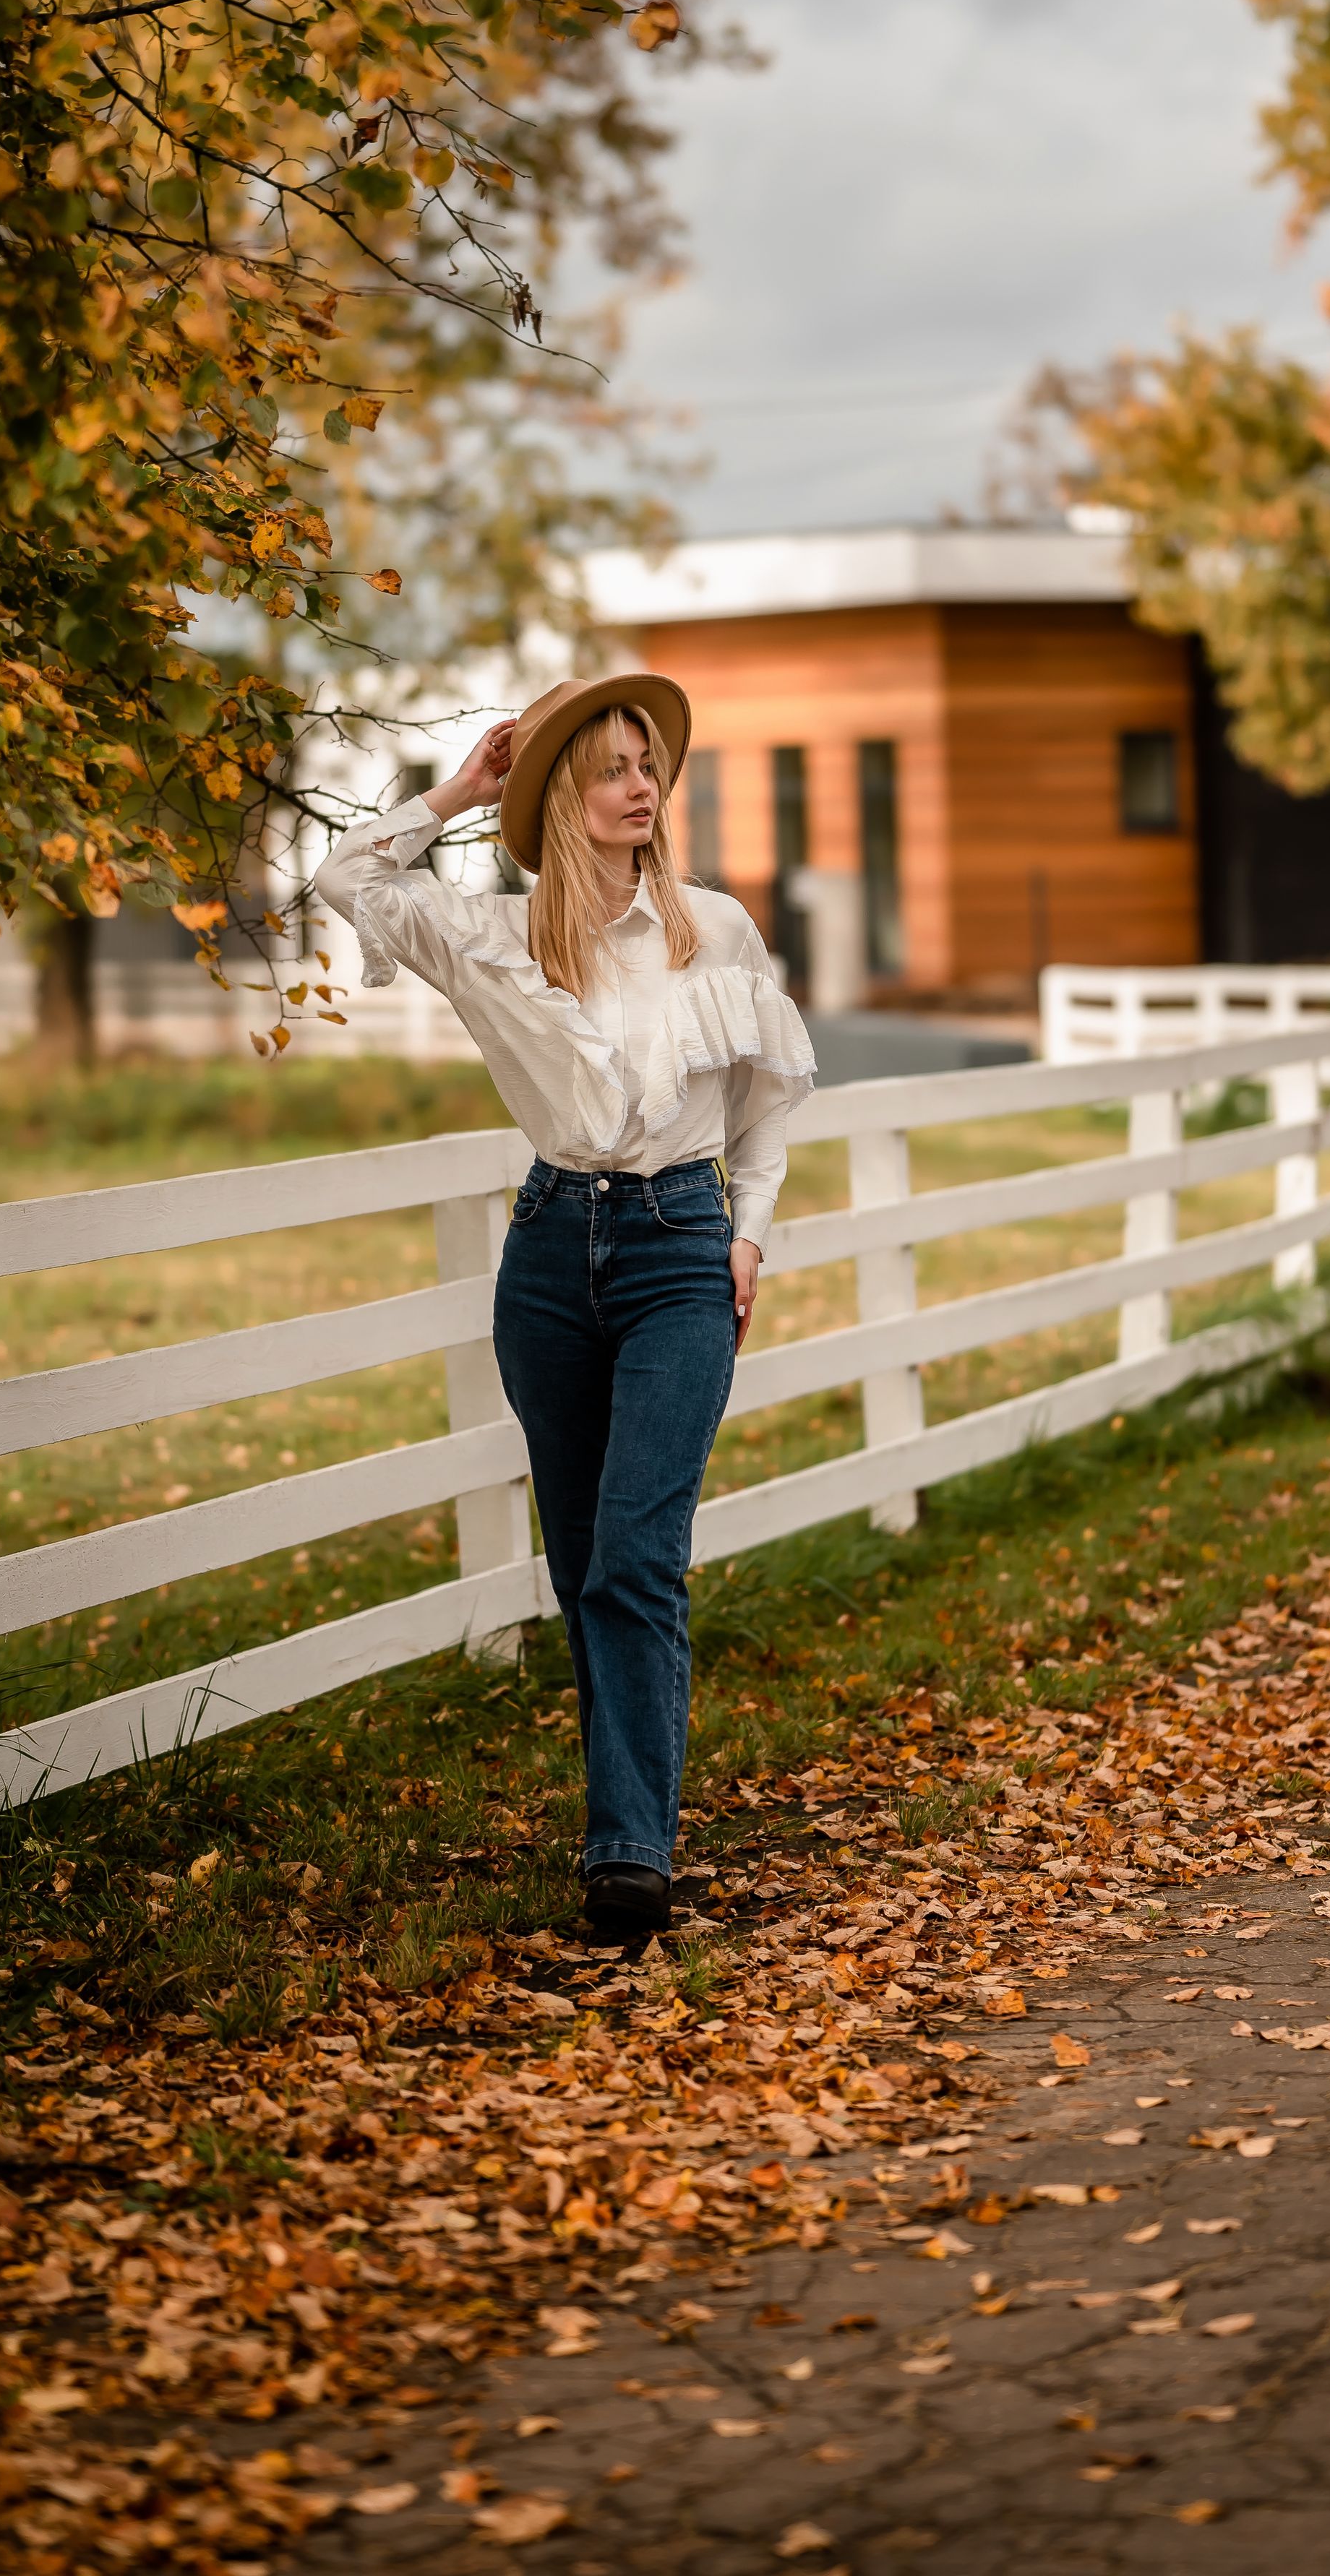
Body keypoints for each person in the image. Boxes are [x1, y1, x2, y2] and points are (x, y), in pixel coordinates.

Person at [312, 674, 815, 1946]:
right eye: (609, 768)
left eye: (649, 764)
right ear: (557, 796)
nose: (641, 787)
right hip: (548, 1257)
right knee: (581, 1562)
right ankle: (622, 1824)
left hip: (678, 1248)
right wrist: (465, 790)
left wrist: (748, 1236)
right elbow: (349, 881)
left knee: (639, 1558)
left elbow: (766, 1108)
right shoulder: (494, 935)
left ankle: (630, 1853)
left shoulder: (715, 929)